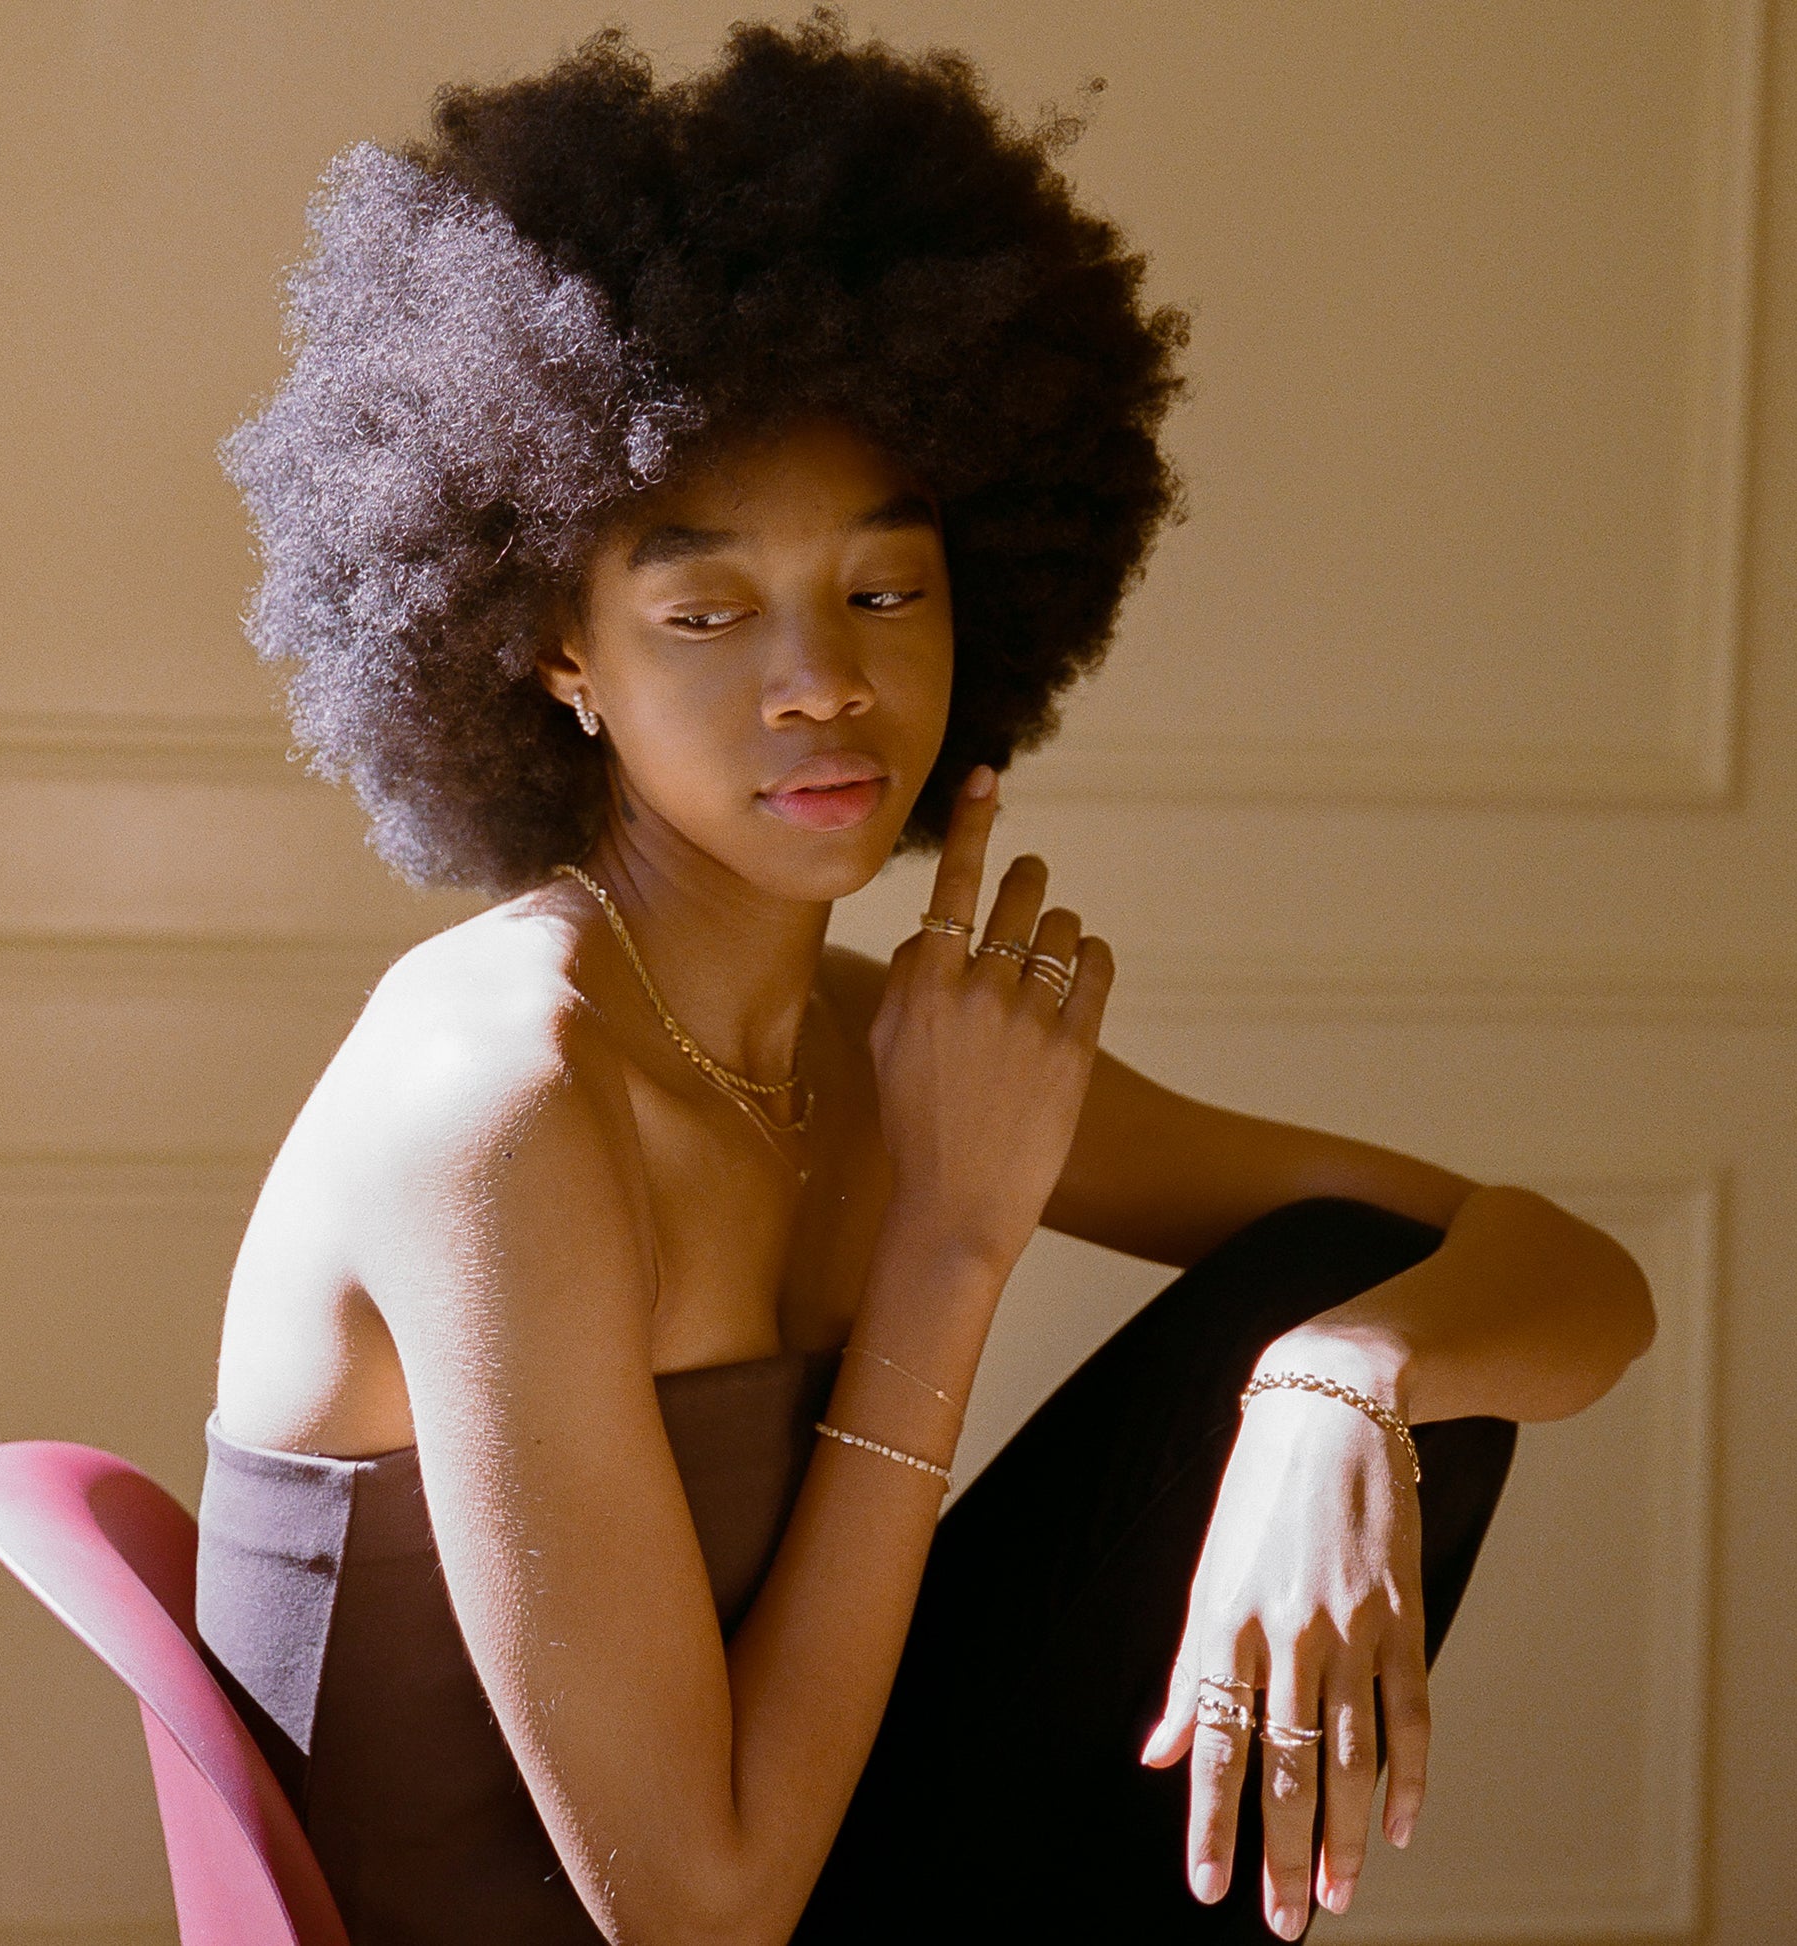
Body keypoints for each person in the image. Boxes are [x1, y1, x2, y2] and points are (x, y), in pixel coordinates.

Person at [197, 16, 1655, 1944]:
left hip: (823, 1871)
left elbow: (1572, 1279)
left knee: (1338, 1299)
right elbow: (695, 1916)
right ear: (555, 647)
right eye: (706, 610)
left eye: (885, 590)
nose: (821, 679)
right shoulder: (499, 1097)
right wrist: (950, 1254)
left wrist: (1334, 1389)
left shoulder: (879, 1040)